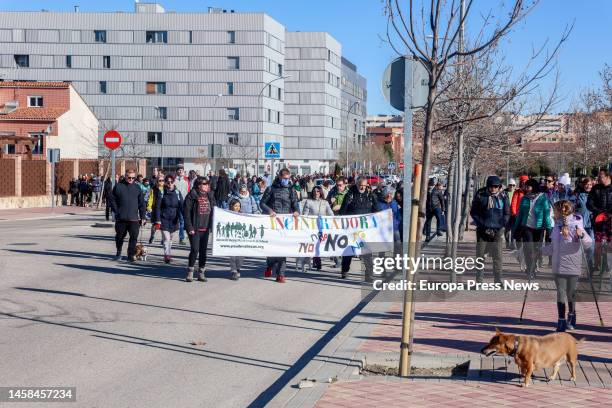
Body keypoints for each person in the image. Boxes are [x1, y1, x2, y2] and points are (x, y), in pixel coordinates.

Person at [542, 200, 592, 332]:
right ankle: (561, 320)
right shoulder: (556, 227)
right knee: (560, 293)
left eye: (555, 210)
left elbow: (588, 243)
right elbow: (553, 247)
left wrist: (582, 236)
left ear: (561, 211)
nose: (553, 213)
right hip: (558, 266)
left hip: (573, 266)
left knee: (571, 293)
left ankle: (572, 315)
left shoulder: (576, 225)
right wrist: (540, 250)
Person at [260, 168, 300, 283]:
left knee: (282, 249)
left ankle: (281, 274)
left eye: (288, 179)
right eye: (285, 179)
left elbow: (295, 204)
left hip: (286, 224)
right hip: (273, 223)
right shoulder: (271, 189)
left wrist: (297, 211)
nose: (286, 181)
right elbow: (262, 203)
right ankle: (270, 265)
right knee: (272, 249)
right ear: (280, 177)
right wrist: (269, 211)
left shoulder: (291, 190)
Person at [470, 175, 510, 284]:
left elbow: (507, 213)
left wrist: (501, 224)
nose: (494, 188)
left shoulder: (503, 196)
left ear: (499, 187)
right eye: (491, 186)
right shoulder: (480, 195)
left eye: (496, 186)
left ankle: (498, 279)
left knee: (497, 255)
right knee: (480, 255)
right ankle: (479, 280)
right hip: (483, 229)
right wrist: (481, 223)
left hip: (497, 230)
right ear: (488, 186)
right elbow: (473, 212)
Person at [339, 176, 379, 280]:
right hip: (352, 229)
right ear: (356, 184)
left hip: (365, 229)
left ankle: (369, 274)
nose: (362, 187)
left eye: (364, 186)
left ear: (367, 185)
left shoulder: (371, 196)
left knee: (367, 252)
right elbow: (342, 212)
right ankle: (345, 270)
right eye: (360, 185)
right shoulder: (350, 195)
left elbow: (377, 211)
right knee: (349, 251)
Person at [515, 178, 553, 279]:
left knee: (536, 249)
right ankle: (530, 269)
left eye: (528, 186)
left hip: (539, 228)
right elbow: (520, 214)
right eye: (526, 186)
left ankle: (533, 265)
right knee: (528, 249)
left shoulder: (542, 198)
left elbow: (546, 214)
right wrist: (516, 227)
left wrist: (549, 229)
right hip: (526, 227)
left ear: (534, 187)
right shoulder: (524, 198)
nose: (526, 188)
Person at [107, 169, 146, 262]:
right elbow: (112, 200)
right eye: (129, 177)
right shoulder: (118, 186)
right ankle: (119, 251)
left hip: (134, 219)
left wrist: (143, 217)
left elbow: (141, 204)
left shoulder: (137, 188)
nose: (131, 179)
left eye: (133, 178)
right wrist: (116, 211)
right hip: (121, 218)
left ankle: (130, 254)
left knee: (134, 237)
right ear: (125, 176)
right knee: (119, 237)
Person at [183, 177, 215, 282]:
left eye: (207, 184)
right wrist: (189, 227)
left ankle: (201, 272)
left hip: (206, 228)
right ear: (198, 185)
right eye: (204, 184)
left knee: (203, 251)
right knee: (195, 249)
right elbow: (186, 213)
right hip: (195, 228)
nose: (206, 185)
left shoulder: (210, 196)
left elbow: (215, 210)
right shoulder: (192, 196)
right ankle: (190, 271)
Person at [298, 186, 333, 271]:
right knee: (313, 244)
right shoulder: (308, 202)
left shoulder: (325, 202)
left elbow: (331, 214)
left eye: (318, 191)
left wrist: (329, 219)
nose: (316, 192)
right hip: (312, 227)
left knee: (320, 245)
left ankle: (317, 259)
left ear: (320, 192)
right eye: (314, 191)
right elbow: (305, 215)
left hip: (322, 227)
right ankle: (315, 261)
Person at [154, 174, 183, 264]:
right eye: (168, 182)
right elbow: (157, 207)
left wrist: (184, 216)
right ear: (165, 183)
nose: (170, 183)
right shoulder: (161, 192)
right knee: (166, 238)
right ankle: (167, 255)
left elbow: (182, 206)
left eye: (171, 182)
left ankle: (168, 252)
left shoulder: (177, 193)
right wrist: (158, 219)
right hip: (164, 218)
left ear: (174, 182)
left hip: (174, 219)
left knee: (170, 238)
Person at [587, 170, 611, 273]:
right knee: (598, 244)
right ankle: (596, 265)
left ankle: (608, 265)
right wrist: (598, 211)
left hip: (610, 221)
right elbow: (589, 203)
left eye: (600, 176)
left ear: (607, 176)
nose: (598, 178)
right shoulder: (595, 188)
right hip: (598, 220)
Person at [571, 176, 595, 271]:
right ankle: (577, 266)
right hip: (581, 225)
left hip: (591, 225)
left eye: (590, 185)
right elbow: (572, 208)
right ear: (583, 185)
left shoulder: (595, 195)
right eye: (586, 184)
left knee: (591, 246)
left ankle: (590, 266)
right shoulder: (578, 195)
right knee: (579, 247)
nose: (588, 186)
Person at [377, 186, 402, 255]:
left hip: (394, 227)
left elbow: (398, 215)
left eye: (391, 194)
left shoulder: (394, 203)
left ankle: (396, 260)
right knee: (383, 246)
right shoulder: (379, 204)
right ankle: (381, 261)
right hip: (384, 228)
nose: (389, 196)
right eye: (388, 194)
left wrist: (397, 223)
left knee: (397, 244)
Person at [227, 199, 245, 281]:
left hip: (240, 238)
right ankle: (233, 270)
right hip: (231, 238)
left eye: (238, 206)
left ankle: (238, 268)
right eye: (235, 206)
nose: (237, 207)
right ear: (231, 206)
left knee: (240, 256)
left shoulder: (243, 215)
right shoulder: (226, 214)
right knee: (233, 255)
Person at [509, 175, 529, 250]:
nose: (524, 183)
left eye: (526, 182)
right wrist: (514, 214)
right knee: (518, 233)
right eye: (523, 182)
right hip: (518, 216)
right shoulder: (517, 192)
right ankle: (518, 248)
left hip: (527, 216)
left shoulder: (530, 192)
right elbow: (513, 203)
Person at [174, 166, 190, 245]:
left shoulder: (187, 180)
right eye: (179, 170)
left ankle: (181, 238)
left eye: (181, 170)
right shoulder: (173, 180)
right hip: (174, 203)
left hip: (183, 203)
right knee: (171, 220)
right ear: (177, 171)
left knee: (182, 221)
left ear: (184, 172)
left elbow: (188, 191)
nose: (180, 172)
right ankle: (166, 238)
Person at [148, 175, 165, 244]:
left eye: (162, 180)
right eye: (159, 180)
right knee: (155, 225)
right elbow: (151, 199)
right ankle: (152, 236)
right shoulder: (154, 189)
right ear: (157, 181)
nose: (161, 182)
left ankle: (163, 239)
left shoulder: (166, 188)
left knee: (163, 225)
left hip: (164, 209)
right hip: (155, 209)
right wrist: (149, 207)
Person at [504, 179, 516, 249]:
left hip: (514, 214)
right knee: (507, 230)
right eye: (510, 185)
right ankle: (507, 244)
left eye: (513, 185)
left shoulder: (517, 192)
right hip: (507, 214)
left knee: (514, 229)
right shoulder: (504, 193)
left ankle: (512, 244)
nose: (511, 186)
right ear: (508, 185)